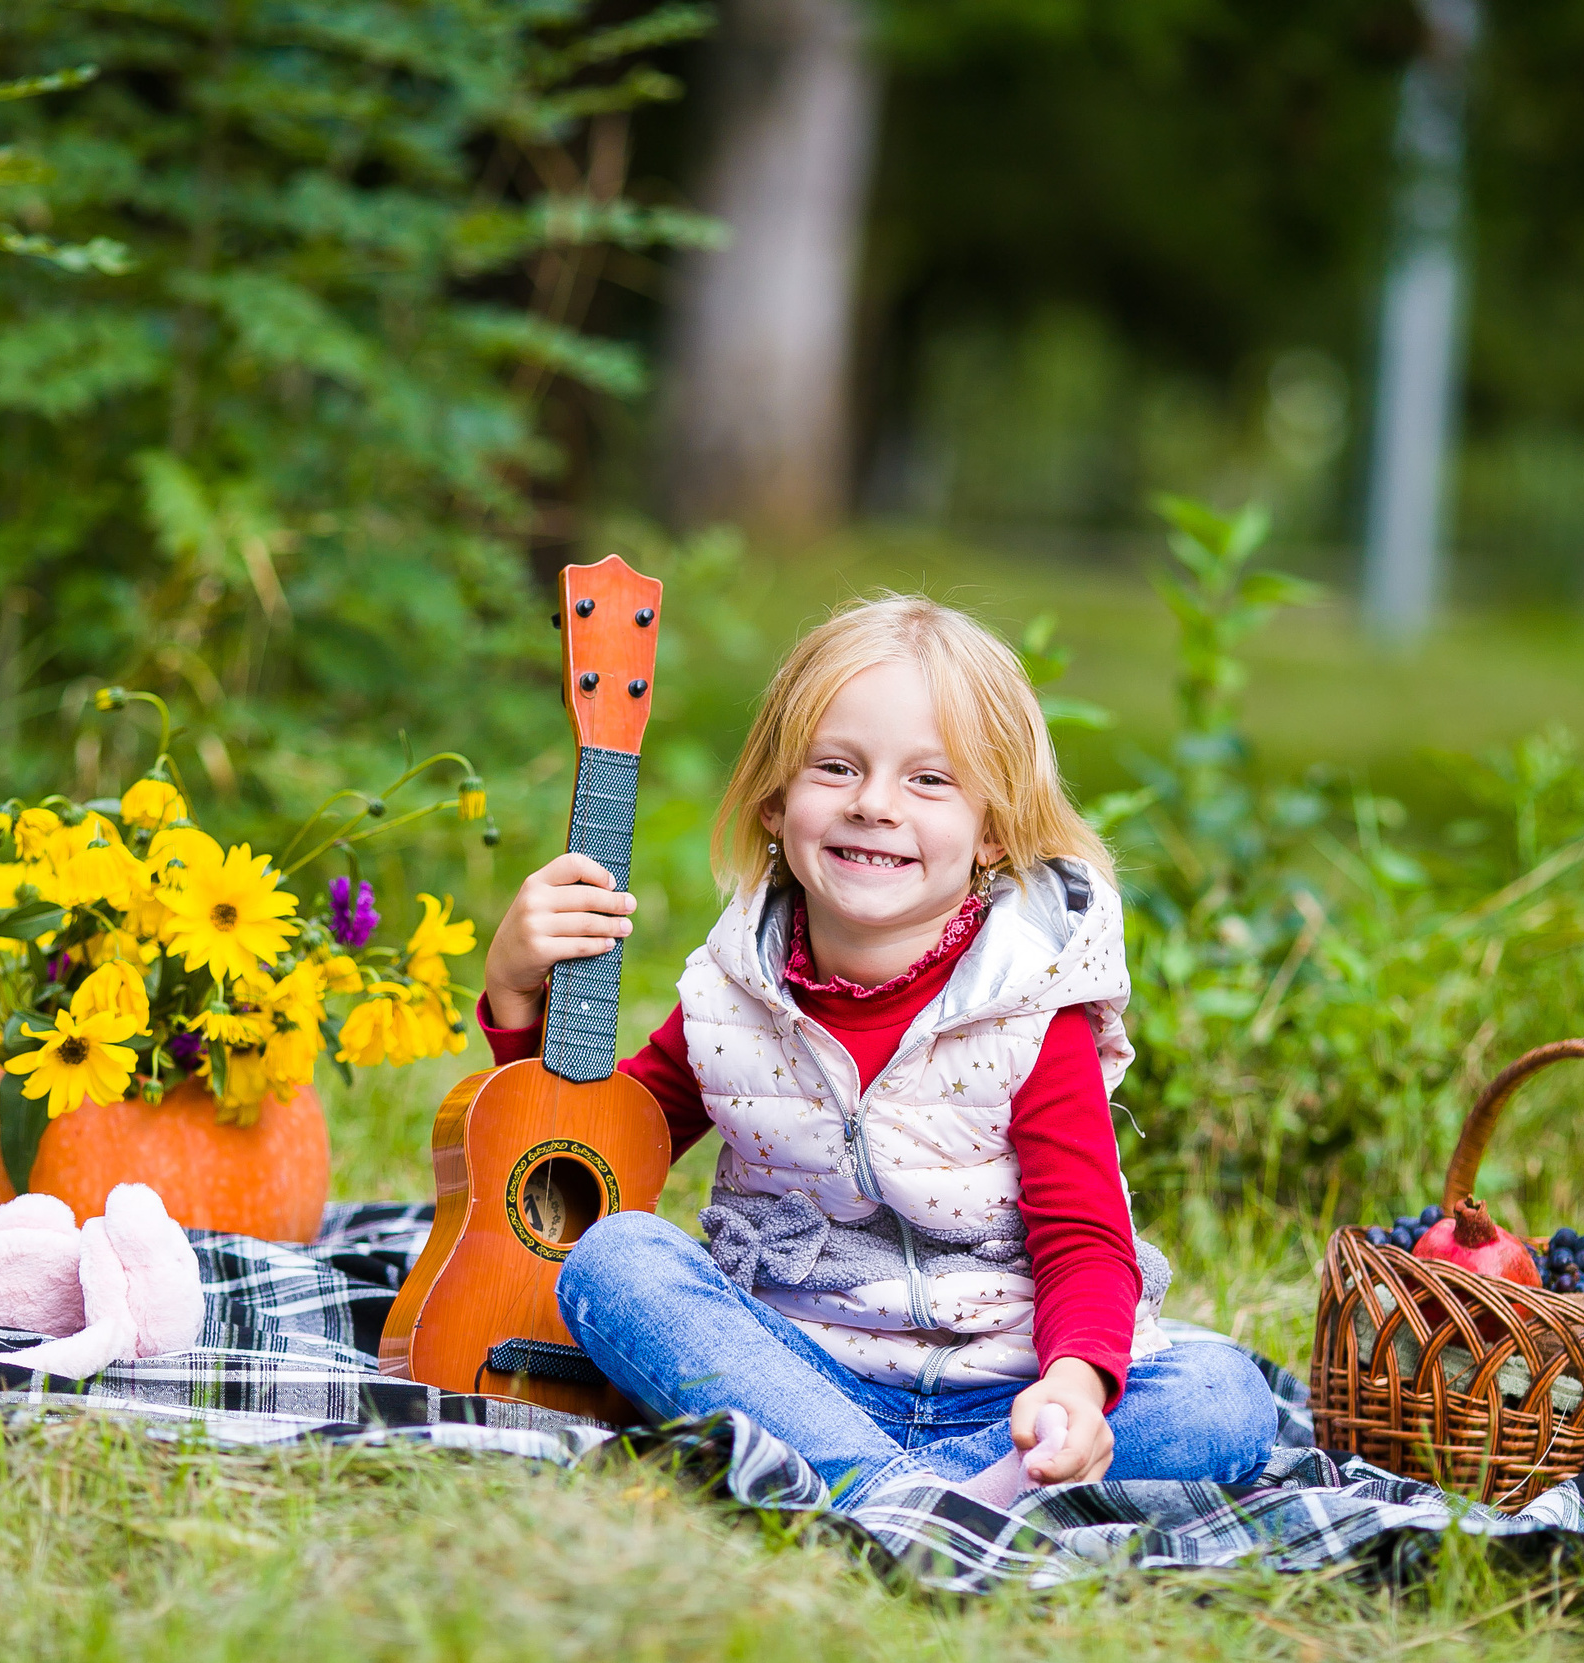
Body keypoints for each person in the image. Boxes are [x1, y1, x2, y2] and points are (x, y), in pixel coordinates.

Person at [479, 595, 1277, 1507]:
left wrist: (1076, 1386)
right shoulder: (733, 994)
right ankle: (939, 1495)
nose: (873, 804)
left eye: (931, 781)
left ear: (995, 834)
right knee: (615, 1264)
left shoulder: (1029, 1011)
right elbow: (587, 1150)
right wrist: (516, 994)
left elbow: (1086, 1237)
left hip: (1006, 1392)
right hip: (799, 1373)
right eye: (836, 766)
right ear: (775, 803)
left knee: (1225, 1397)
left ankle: (881, 1488)